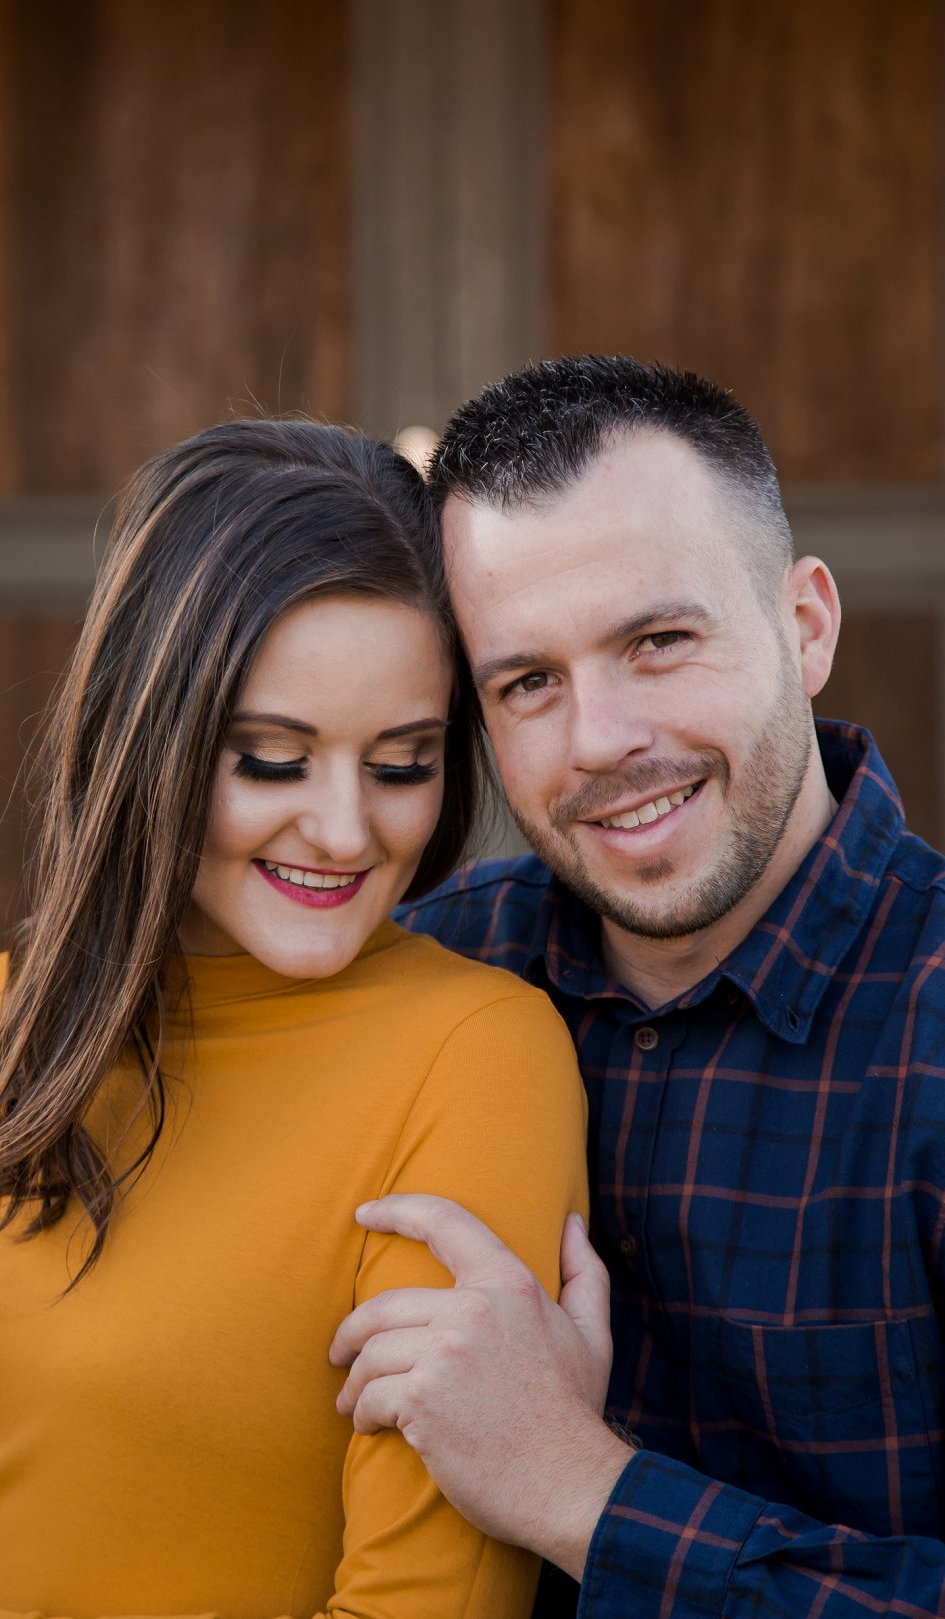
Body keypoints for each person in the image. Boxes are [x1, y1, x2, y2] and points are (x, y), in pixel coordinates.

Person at [0, 420, 589, 1617]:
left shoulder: (473, 1054)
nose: (348, 831)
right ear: (153, 734)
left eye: (403, 763)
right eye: (271, 759)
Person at [331, 355, 945, 1618]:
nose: (600, 740)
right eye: (528, 681)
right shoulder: (424, 982)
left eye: (658, 641)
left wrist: (586, 1494)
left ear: (806, 624)